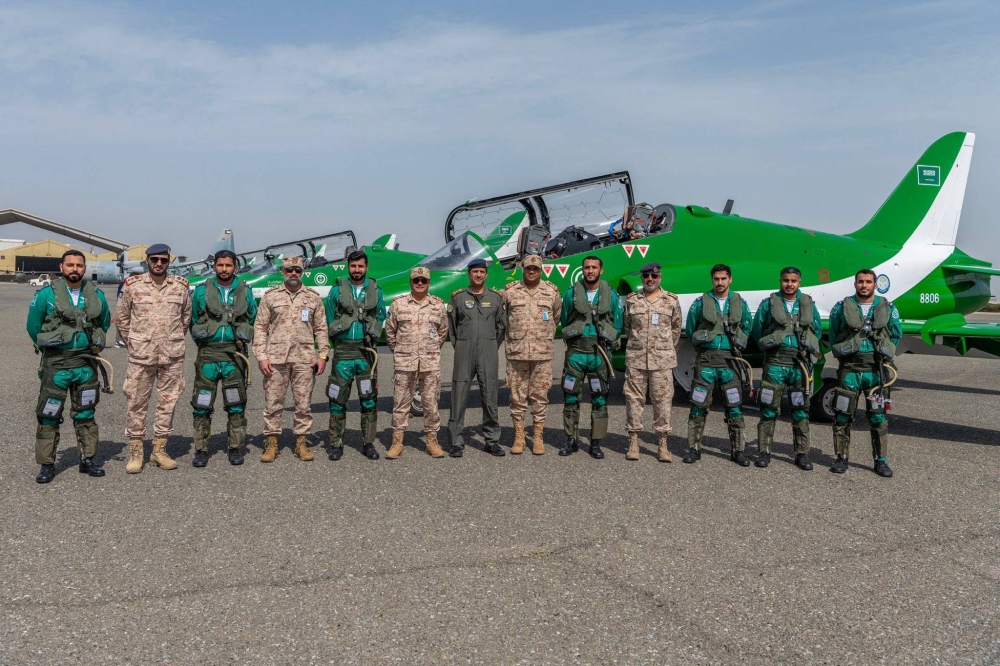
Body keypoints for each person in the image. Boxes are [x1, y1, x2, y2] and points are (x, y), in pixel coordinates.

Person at [27, 249, 111, 483]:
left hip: (85, 363)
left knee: (86, 412)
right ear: (61, 267)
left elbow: (103, 322)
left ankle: (88, 459)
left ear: (84, 268)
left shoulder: (97, 295)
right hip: (56, 364)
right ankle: (46, 464)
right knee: (49, 413)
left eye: (79, 265)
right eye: (70, 265)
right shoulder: (45, 295)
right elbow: (33, 326)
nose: (75, 269)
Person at [116, 244, 192, 473]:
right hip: (141, 355)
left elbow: (185, 318)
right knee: (136, 402)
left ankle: (159, 451)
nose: (159, 264)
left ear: (168, 262)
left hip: (171, 355)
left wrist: (171, 340)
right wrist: (136, 341)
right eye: (155, 259)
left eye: (163, 260)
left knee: (168, 402)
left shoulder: (180, 286)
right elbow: (122, 318)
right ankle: (136, 452)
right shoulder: (133, 285)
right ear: (147, 261)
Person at [253, 256, 329, 463]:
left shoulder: (313, 298)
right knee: (273, 403)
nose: (293, 273)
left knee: (303, 404)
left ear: (302, 272)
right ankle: (272, 443)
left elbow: (321, 329)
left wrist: (323, 355)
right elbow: (260, 328)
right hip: (276, 359)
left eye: (297, 270)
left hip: (305, 359)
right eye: (289, 270)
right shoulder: (271, 297)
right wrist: (261, 356)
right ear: (282, 272)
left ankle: (301, 443)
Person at [827, 269, 903, 477]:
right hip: (850, 369)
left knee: (878, 417)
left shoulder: (888, 307)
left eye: (868, 282)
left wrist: (884, 352)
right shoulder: (841, 307)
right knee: (842, 415)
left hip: (876, 371)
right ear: (855, 284)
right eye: (861, 281)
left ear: (875, 285)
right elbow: (834, 334)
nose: (864, 285)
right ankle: (841, 457)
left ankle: (881, 461)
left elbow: (896, 333)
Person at [189, 249, 258, 467]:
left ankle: (235, 448)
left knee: (236, 402)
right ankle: (201, 449)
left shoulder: (245, 291)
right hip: (208, 355)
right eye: (220, 265)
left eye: (228, 265)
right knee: (202, 403)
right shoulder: (201, 292)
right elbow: (193, 321)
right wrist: (205, 344)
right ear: (214, 266)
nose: (224, 269)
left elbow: (252, 316)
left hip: (234, 355)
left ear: (235, 267)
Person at [751, 266, 823, 470]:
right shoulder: (768, 304)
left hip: (799, 365)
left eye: (793, 281)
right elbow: (757, 331)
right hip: (775, 364)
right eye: (786, 280)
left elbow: (817, 329)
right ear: (780, 281)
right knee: (768, 409)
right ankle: (764, 452)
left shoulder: (809, 304)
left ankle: (802, 454)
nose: (789, 284)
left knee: (800, 410)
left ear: (799, 282)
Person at [682, 264, 753, 465]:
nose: (719, 282)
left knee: (734, 407)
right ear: (712, 280)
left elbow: (747, 327)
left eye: (723, 278)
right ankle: (694, 449)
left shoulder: (740, 303)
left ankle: (738, 451)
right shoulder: (700, 302)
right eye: (716, 279)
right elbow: (690, 329)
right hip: (706, 361)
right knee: (698, 405)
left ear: (730, 279)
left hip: (731, 362)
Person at [558, 256, 623, 459]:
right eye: (587, 267)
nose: (590, 270)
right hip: (576, 354)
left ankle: (596, 442)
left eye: (594, 267)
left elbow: (618, 324)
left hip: (599, 354)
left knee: (600, 399)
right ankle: (571, 440)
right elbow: (564, 319)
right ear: (582, 270)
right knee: (570, 397)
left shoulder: (611, 295)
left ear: (601, 270)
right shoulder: (571, 294)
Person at [325, 249, 386, 460]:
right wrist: (335, 344)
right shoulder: (336, 291)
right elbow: (328, 318)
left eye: (360, 266)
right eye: (353, 266)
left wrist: (371, 337)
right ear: (348, 267)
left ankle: (368, 443)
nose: (357, 270)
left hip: (365, 353)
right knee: (337, 398)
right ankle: (336, 444)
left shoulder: (377, 291)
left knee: (369, 399)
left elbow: (380, 316)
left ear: (366, 267)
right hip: (343, 352)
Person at [384, 266, 449, 459]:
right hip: (405, 362)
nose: (420, 283)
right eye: (416, 280)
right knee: (401, 402)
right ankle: (397, 442)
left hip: (430, 362)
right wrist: (401, 351)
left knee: (431, 403)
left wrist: (431, 350)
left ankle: (432, 441)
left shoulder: (438, 305)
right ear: (410, 282)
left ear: (429, 283)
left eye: (423, 280)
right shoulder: (398, 305)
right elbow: (390, 332)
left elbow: (442, 332)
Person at [446, 257, 507, 457]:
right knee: (458, 395)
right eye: (475, 272)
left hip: (488, 349)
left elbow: (501, 327)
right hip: (464, 349)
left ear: (486, 274)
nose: (478, 275)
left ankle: (492, 440)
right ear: (469, 274)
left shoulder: (496, 298)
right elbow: (452, 328)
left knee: (490, 394)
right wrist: (461, 345)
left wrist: (491, 344)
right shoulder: (458, 298)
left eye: (481, 272)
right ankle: (456, 442)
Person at [502, 254, 561, 455]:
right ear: (523, 269)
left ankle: (537, 436)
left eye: (535, 268)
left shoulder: (551, 292)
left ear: (541, 270)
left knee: (540, 397)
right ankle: (519, 436)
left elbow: (555, 317)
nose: (532, 271)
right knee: (517, 398)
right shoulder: (510, 291)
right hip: (517, 353)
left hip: (542, 353)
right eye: (528, 268)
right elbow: (504, 319)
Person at [623, 262, 682, 462]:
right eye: (646, 276)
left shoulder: (671, 301)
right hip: (637, 359)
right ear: (642, 278)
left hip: (662, 361)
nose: (650, 279)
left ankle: (662, 444)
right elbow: (628, 327)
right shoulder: (632, 301)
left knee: (662, 402)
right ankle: (633, 441)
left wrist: (663, 349)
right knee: (634, 400)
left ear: (660, 278)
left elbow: (675, 329)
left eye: (654, 276)